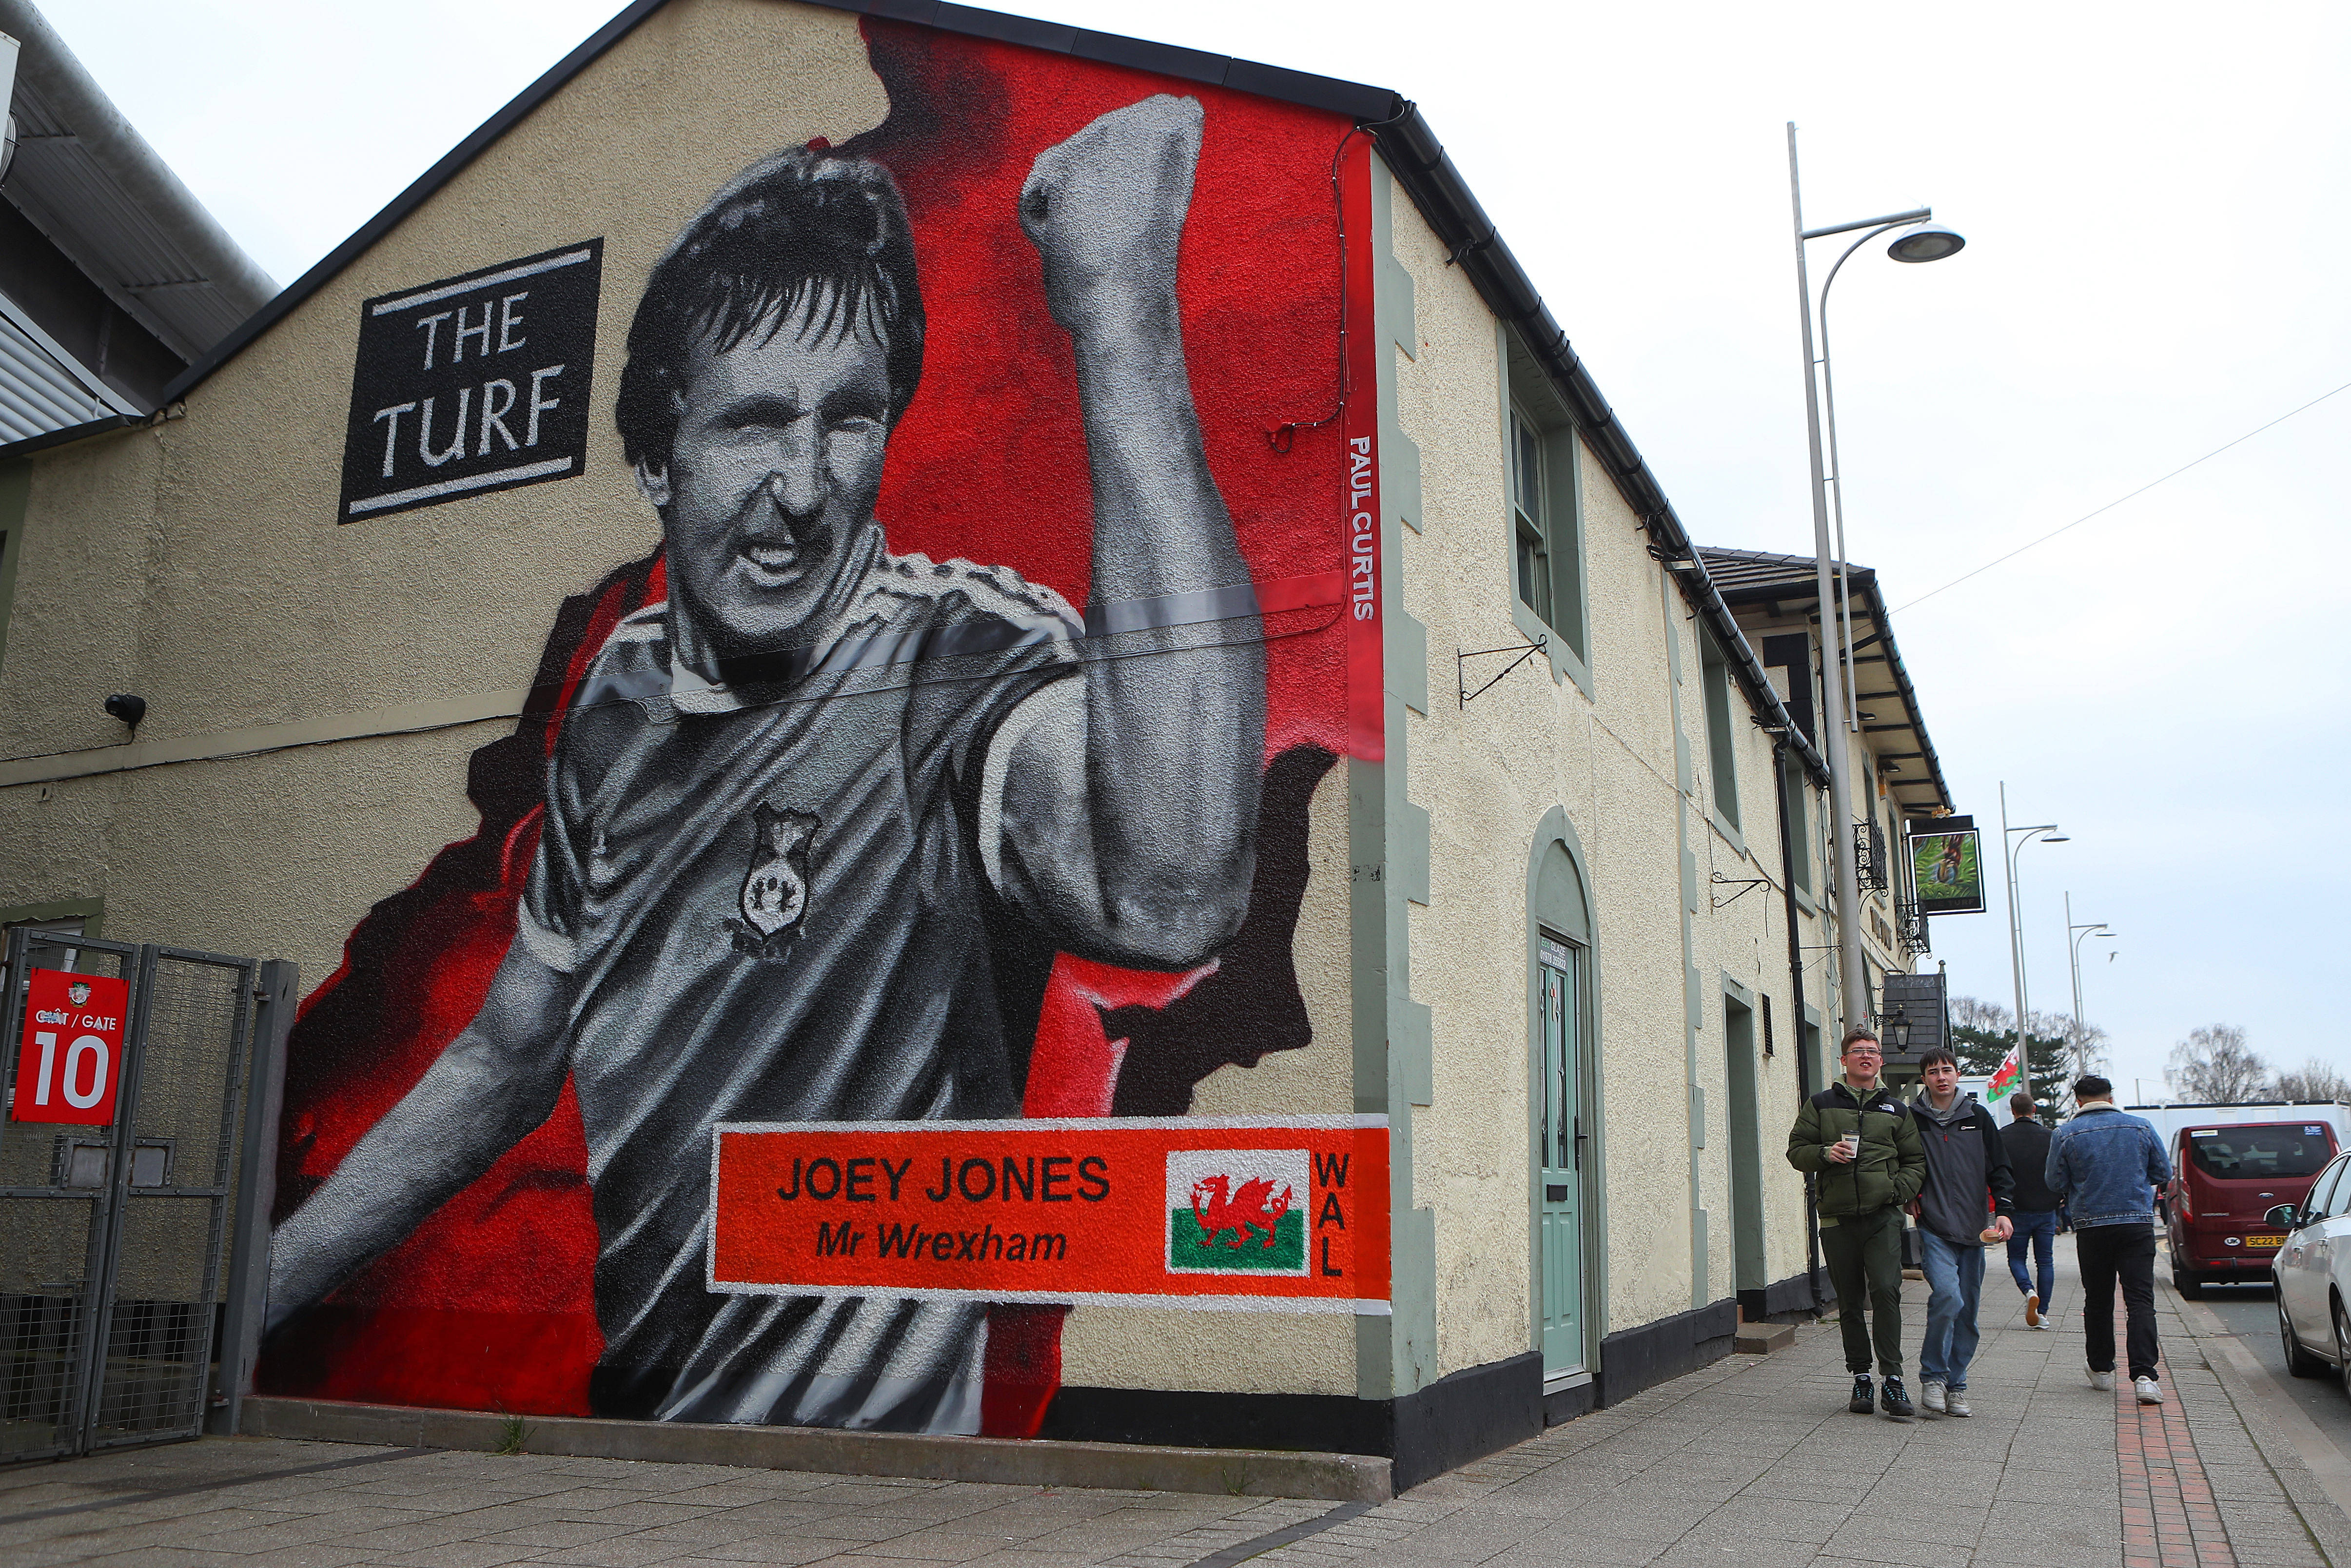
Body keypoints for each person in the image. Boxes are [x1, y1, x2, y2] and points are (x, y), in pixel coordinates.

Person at [265, 97, 1268, 1433]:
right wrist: (263, 1285)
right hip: (647, 1441)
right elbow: (510, 1053)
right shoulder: (618, 699)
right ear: (651, 457)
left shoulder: (954, 665)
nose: (804, 487)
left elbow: (1173, 887)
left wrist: (1118, 307)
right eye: (751, 424)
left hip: (877, 1481)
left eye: (848, 419)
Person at [1787, 1025, 1928, 1421]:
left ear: (1880, 1061)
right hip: (1837, 1217)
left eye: (1872, 1051)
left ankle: (1894, 1379)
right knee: (1849, 1302)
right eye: (1858, 1051)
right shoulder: (1821, 1104)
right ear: (1844, 1060)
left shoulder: (1897, 1109)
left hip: (1883, 1217)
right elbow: (1796, 1151)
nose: (1866, 1056)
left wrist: (1894, 1190)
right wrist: (1824, 1153)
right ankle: (1861, 1377)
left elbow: (1916, 1161)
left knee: (1886, 1292)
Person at [2046, 1074, 2174, 1405]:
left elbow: (2054, 1180)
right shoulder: (2141, 1127)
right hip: (2136, 1223)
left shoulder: (2065, 1134)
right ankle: (2145, 1377)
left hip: (2092, 1226)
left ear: (2078, 1100)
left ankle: (2101, 1369)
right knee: (2140, 1300)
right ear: (2111, 1097)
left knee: (2098, 1299)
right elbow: (2163, 1173)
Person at [1907, 1050, 2014, 1417]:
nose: (1941, 1077)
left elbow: (2000, 1168)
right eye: (1933, 1072)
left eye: (1947, 1071)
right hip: (1935, 1226)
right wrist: (1909, 1195)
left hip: (1974, 1229)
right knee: (1948, 1298)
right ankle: (1933, 1376)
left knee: (1968, 1312)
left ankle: (1958, 1385)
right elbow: (1903, 1163)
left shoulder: (1978, 1117)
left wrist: (2003, 1213)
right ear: (1924, 1078)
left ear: (1958, 1075)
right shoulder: (1913, 1120)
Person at [2001, 1093, 2061, 1329]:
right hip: (2046, 1208)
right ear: (2034, 1109)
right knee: (2045, 1261)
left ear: (2013, 1111)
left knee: (2016, 1258)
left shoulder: (2001, 1137)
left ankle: (2028, 1291)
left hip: (2016, 1210)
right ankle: (2043, 1312)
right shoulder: (2051, 1137)